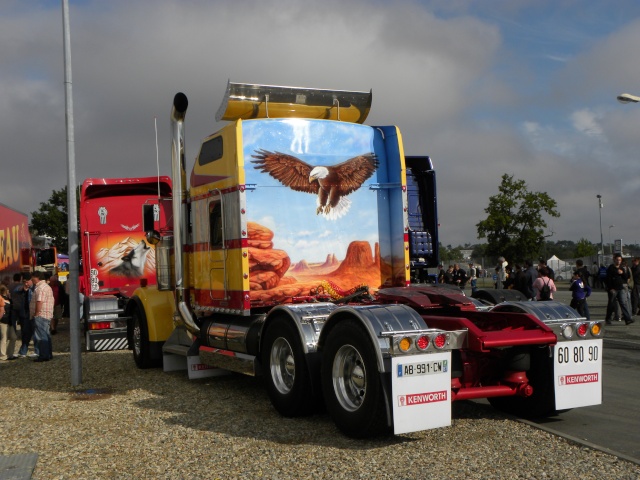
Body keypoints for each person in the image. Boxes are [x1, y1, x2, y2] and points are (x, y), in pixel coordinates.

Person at [30, 270, 54, 362]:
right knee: (46, 335)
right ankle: (48, 354)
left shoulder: (40, 288)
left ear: (37, 278)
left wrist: (36, 314)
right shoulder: (46, 287)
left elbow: (39, 302)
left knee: (41, 336)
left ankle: (43, 355)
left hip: (41, 314)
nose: (31, 279)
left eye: (32, 277)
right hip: (46, 314)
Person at [605, 253, 634, 326]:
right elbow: (608, 279)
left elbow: (626, 277)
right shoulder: (611, 268)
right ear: (614, 260)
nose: (618, 261)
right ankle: (608, 318)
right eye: (617, 260)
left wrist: (622, 273)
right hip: (613, 289)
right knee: (611, 304)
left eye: (620, 260)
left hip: (620, 288)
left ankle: (628, 319)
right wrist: (610, 288)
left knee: (623, 303)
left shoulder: (621, 268)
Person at [15, 273, 38, 358]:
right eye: (24, 282)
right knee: (25, 333)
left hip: (33, 312)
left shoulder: (35, 288)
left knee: (35, 333)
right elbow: (16, 290)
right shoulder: (22, 289)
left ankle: (37, 350)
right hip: (26, 313)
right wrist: (22, 289)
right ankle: (23, 351)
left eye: (27, 282)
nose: (25, 284)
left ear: (31, 280)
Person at [0, 284, 18, 361]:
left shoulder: (8, 299)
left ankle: (10, 354)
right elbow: (2, 310)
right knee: (4, 338)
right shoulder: (1, 299)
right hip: (3, 320)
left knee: (13, 337)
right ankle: (2, 355)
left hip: (10, 321)